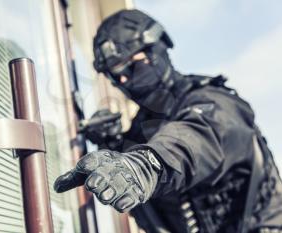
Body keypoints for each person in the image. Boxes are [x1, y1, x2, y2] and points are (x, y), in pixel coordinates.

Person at [54, 9, 282, 233]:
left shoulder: (215, 102)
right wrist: (113, 145)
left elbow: (198, 137)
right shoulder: (142, 130)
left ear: (158, 51)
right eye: (115, 75)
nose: (124, 79)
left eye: (131, 66)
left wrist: (145, 165)